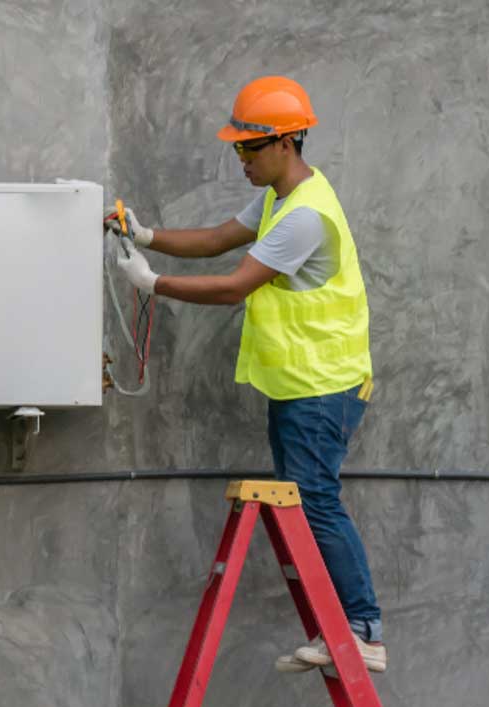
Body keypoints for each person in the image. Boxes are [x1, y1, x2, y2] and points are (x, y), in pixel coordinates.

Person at [106, 76, 384, 673]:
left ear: (286, 143)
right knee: (307, 502)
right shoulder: (280, 199)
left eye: (249, 149)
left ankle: (362, 629)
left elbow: (235, 284)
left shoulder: (305, 217)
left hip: (324, 386)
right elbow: (215, 240)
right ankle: (337, 632)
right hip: (301, 383)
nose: (241, 160)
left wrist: (153, 284)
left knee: (316, 501)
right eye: (236, 149)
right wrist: (146, 235)